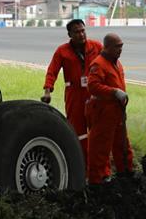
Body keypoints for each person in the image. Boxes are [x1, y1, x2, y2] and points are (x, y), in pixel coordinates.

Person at [42, 19, 103, 158]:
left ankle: (100, 169)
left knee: (98, 130)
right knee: (78, 131)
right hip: (74, 95)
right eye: (77, 32)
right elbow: (52, 71)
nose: (81, 34)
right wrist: (47, 91)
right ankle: (81, 165)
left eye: (83, 31)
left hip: (94, 93)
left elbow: (109, 64)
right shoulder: (62, 51)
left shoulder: (96, 46)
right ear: (69, 34)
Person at [85, 33, 135, 187]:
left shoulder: (116, 63)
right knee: (100, 146)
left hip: (117, 110)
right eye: (117, 46)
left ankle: (125, 172)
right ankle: (97, 180)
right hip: (104, 110)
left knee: (122, 144)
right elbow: (92, 86)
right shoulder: (98, 64)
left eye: (121, 46)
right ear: (107, 47)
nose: (120, 49)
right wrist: (113, 92)